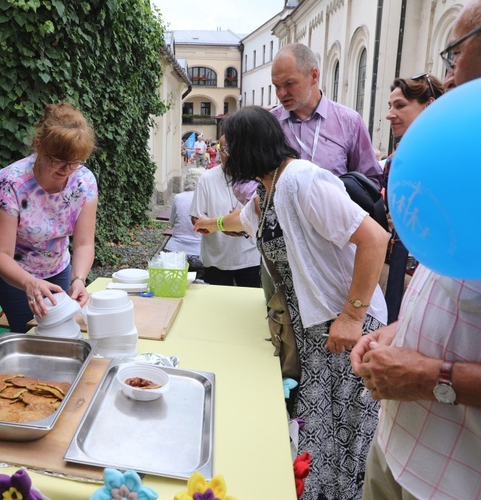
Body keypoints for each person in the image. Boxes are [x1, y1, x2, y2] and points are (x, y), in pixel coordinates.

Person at [352, 2, 481, 499]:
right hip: (399, 450)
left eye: (453, 57)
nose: (447, 81)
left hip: (473, 483)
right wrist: (398, 333)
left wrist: (432, 377)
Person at [194, 106, 389, 500]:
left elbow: (374, 239)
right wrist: (210, 224)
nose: (224, 157)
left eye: (229, 149)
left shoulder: (302, 181)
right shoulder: (269, 189)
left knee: (351, 431)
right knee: (319, 429)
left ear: (250, 148)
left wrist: (351, 317)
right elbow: (241, 220)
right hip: (315, 332)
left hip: (347, 329)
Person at [0, 102, 97, 332]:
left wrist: (78, 279)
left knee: (61, 335)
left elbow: (84, 242)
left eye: (74, 162)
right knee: (28, 337)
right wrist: (29, 282)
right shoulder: (11, 182)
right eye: (58, 161)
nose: (66, 170)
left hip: (59, 269)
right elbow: (0, 254)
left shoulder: (84, 182)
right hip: (16, 278)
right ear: (39, 146)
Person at [270, 43, 384, 188]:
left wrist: (340, 202)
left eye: (289, 84)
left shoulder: (349, 122)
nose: (281, 93)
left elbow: (371, 179)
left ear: (314, 75)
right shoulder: (268, 124)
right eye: (276, 86)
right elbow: (245, 180)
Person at [382, 73, 445, 322]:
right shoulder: (398, 156)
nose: (389, 114)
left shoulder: (446, 153)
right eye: (389, 106)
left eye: (400, 106)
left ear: (428, 105)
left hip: (433, 274)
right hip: (400, 267)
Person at [189, 136, 261, 288]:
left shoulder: (257, 177)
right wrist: (220, 226)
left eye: (234, 151)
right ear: (218, 151)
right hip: (217, 258)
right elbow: (196, 219)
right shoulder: (207, 179)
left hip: (251, 257)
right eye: (224, 150)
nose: (229, 156)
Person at [163, 168, 205, 278]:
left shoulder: (178, 197)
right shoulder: (204, 199)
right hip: (198, 252)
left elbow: (171, 222)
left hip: (175, 250)